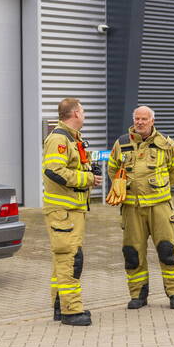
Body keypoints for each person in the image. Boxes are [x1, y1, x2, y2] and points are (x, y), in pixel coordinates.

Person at [107, 106, 174, 310]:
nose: (140, 122)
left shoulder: (166, 143)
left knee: (168, 250)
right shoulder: (122, 143)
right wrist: (121, 186)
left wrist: (162, 188)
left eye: (144, 119)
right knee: (132, 253)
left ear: (152, 121)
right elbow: (112, 169)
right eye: (137, 118)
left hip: (160, 207)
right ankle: (138, 295)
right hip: (131, 208)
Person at [42, 97, 101, 326]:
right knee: (70, 259)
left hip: (72, 210)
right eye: (82, 111)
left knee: (63, 260)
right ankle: (71, 311)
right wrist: (87, 179)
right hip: (63, 211)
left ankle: (60, 306)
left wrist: (89, 172)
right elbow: (53, 170)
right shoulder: (59, 138)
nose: (84, 115)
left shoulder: (72, 138)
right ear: (75, 113)